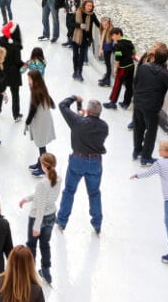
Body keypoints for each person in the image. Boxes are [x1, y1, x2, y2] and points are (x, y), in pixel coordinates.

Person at [54, 95, 109, 234]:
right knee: (94, 193)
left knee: (69, 191)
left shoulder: (78, 122)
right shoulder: (104, 126)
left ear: (88, 111)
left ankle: (62, 220)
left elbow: (62, 105)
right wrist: (82, 117)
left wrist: (74, 98)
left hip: (78, 161)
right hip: (95, 162)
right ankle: (97, 223)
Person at [132, 42, 168, 166]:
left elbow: (135, 82)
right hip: (152, 107)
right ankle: (146, 157)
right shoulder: (166, 74)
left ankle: (136, 151)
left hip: (138, 102)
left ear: (154, 56)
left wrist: (136, 97)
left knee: (138, 127)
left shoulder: (143, 67)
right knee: (150, 132)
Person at [19, 154, 61, 285]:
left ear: (44, 166)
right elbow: (42, 197)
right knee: (45, 244)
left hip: (38, 218)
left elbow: (41, 206)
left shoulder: (42, 184)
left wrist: (37, 226)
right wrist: (27, 199)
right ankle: (46, 271)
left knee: (31, 245)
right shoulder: (58, 179)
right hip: (51, 216)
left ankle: (30, 271)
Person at [103, 27, 135, 109]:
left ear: (118, 34)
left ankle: (113, 102)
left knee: (117, 85)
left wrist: (115, 69)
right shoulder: (129, 42)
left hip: (123, 68)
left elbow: (117, 59)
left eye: (113, 35)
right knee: (129, 85)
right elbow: (134, 53)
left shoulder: (118, 45)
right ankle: (126, 103)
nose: (112, 37)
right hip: (131, 66)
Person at [69, 0, 99, 81]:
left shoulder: (92, 15)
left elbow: (98, 24)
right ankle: (75, 71)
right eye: (88, 5)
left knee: (82, 57)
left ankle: (80, 73)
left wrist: (108, 27)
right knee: (75, 55)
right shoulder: (78, 12)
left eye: (91, 6)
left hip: (85, 38)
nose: (89, 7)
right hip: (76, 36)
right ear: (84, 5)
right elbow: (71, 23)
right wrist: (79, 25)